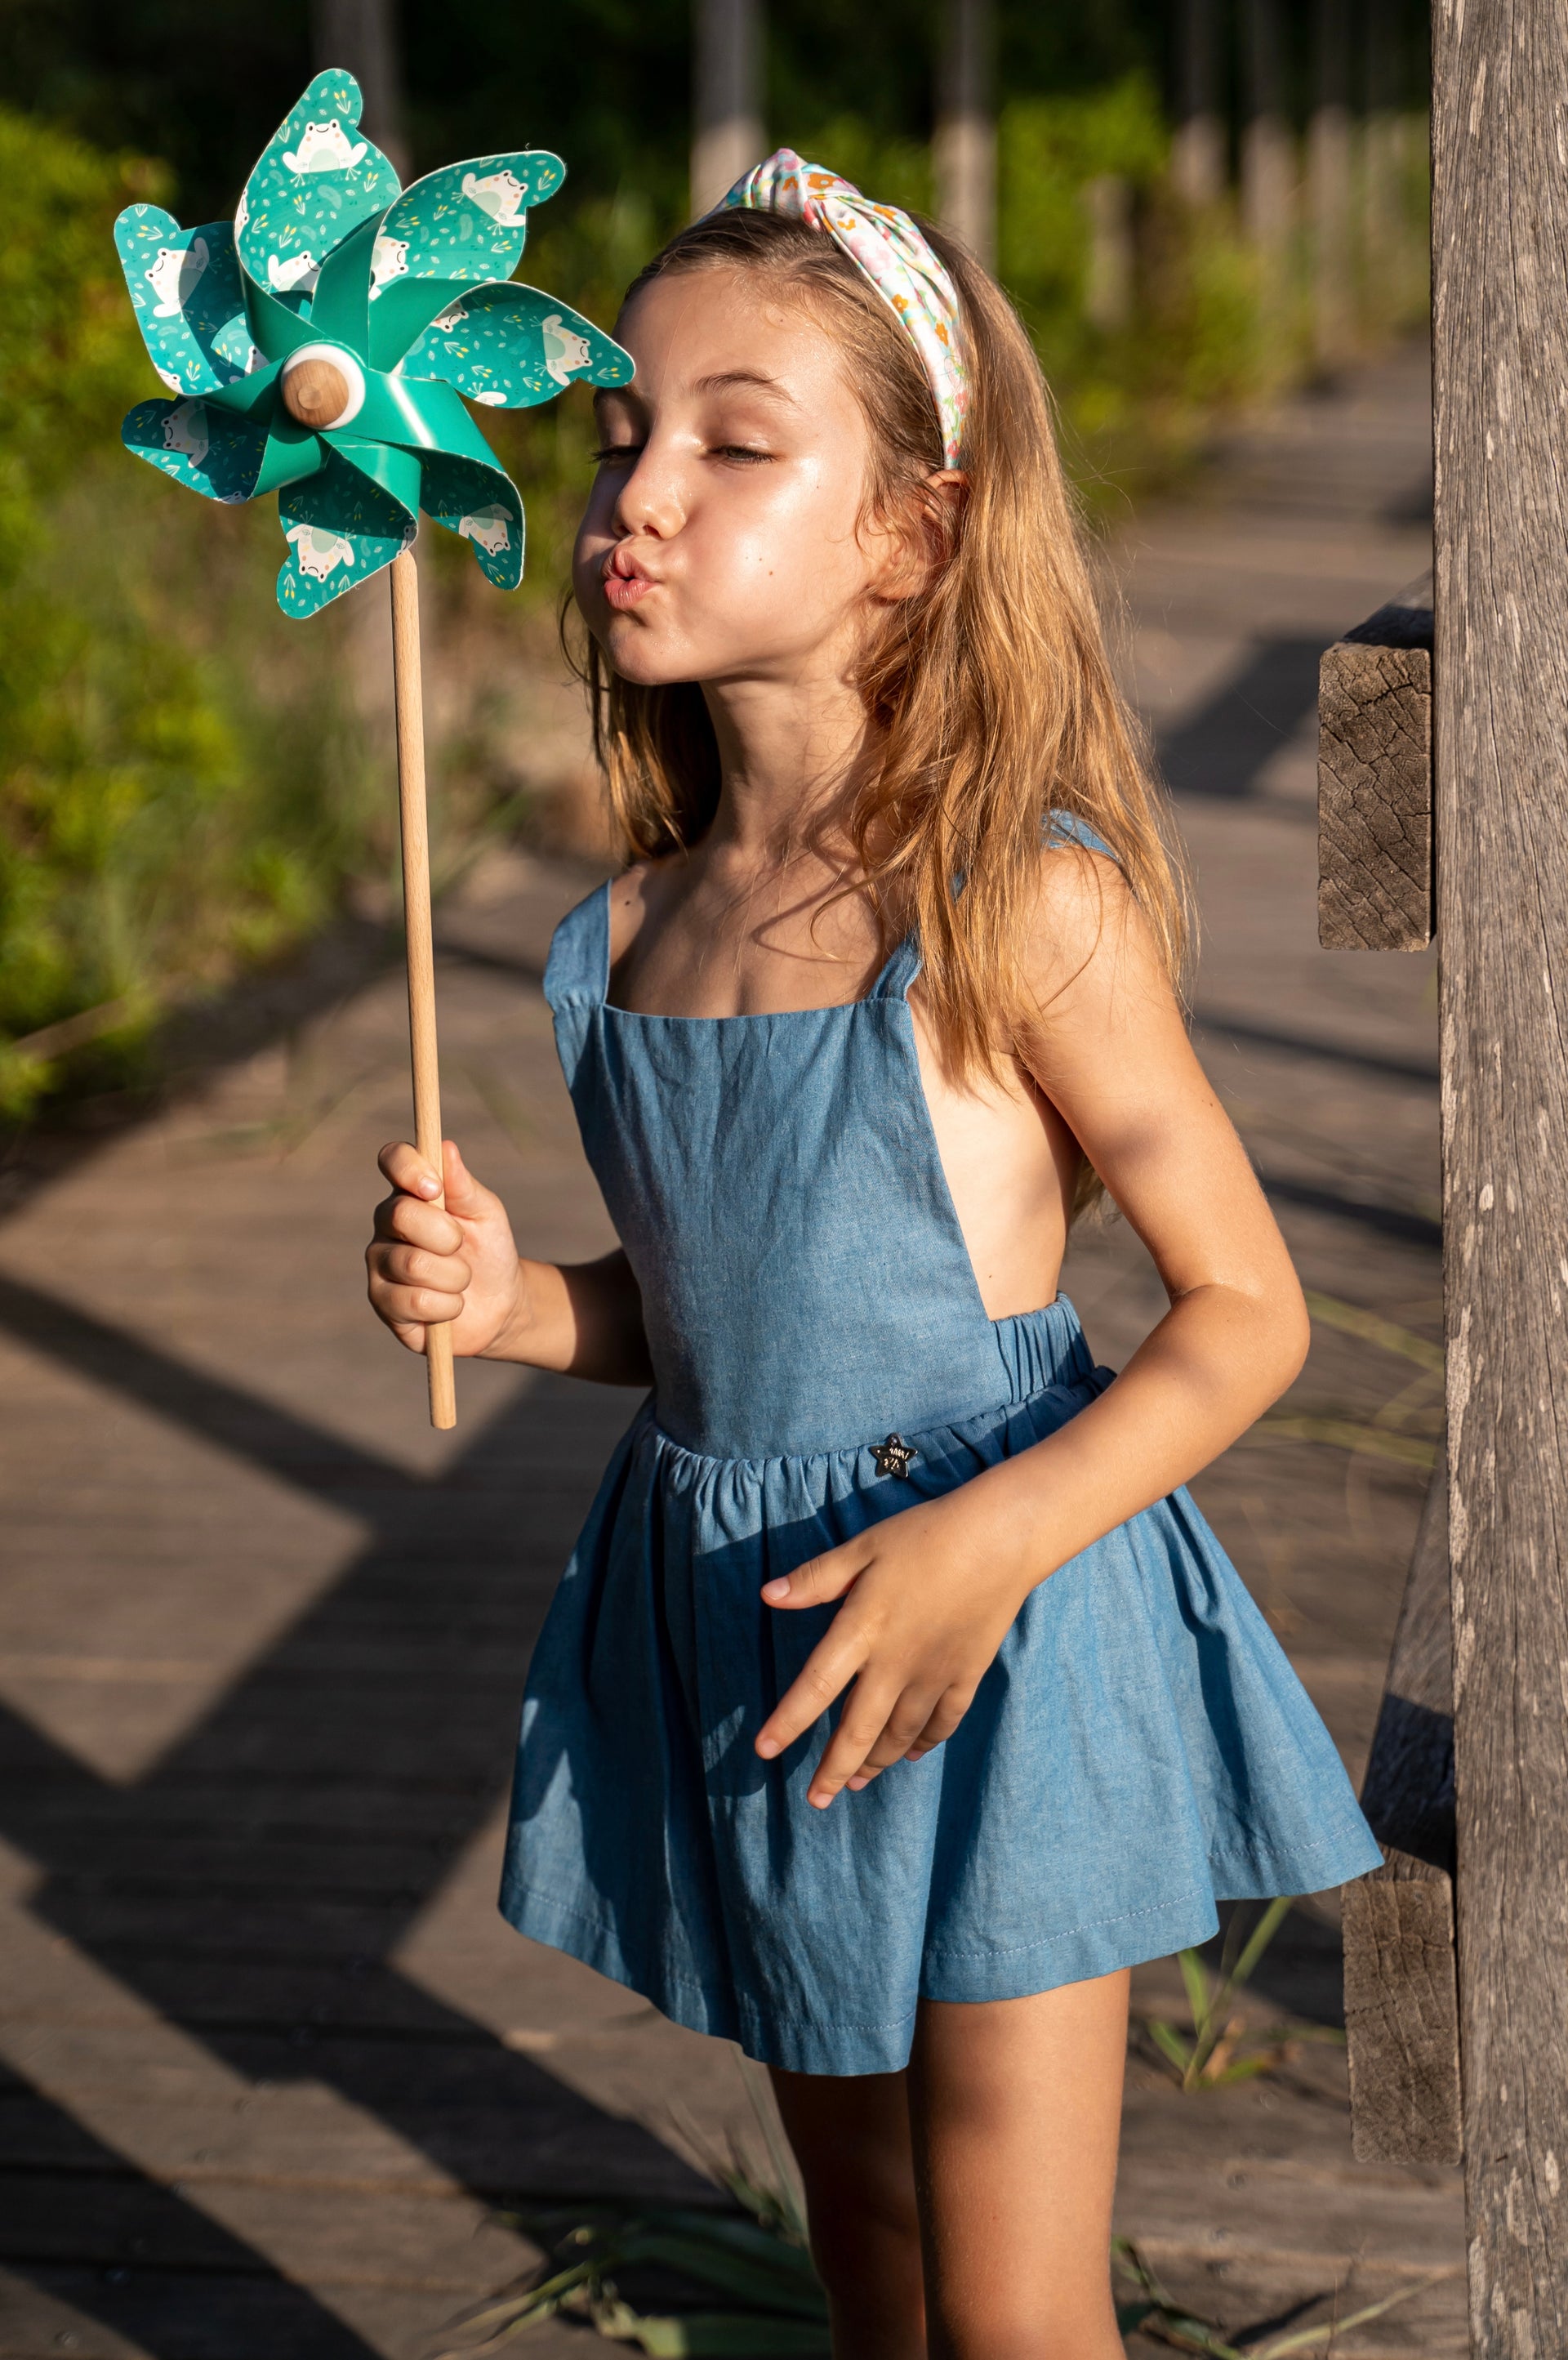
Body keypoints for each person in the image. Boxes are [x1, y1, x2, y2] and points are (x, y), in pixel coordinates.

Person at [365, 150, 1380, 2360]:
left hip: (1005, 1629)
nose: (642, 483)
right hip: (754, 1638)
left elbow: (1247, 1311)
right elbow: (719, 1311)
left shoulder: (1013, 898)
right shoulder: (619, 942)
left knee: (1018, 2314)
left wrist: (988, 1541)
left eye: (739, 441)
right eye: (622, 431)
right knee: (876, 2271)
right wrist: (517, 1303)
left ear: (911, 534)